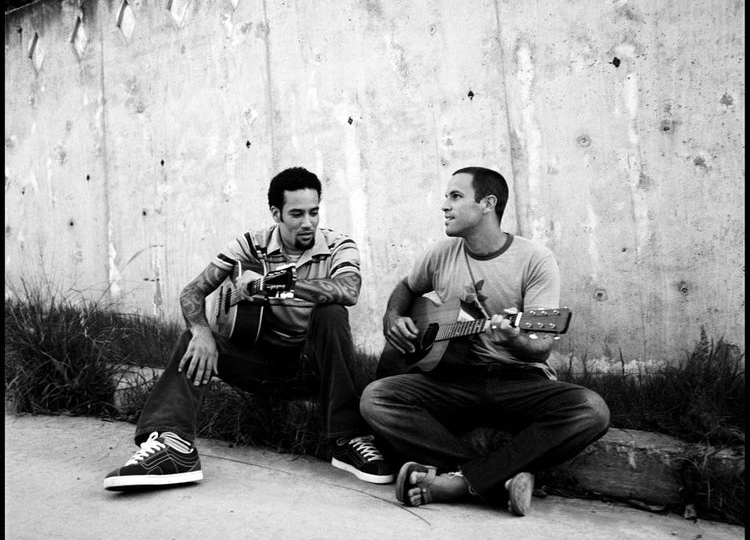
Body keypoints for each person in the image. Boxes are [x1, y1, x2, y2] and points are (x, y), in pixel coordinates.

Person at [104, 166, 395, 490]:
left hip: (313, 367)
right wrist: (202, 332)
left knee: (331, 312)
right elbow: (192, 292)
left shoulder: (338, 245)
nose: (308, 222)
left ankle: (346, 438)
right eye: (296, 214)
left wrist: (269, 285)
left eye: (314, 212)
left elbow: (348, 290)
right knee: (192, 339)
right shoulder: (250, 244)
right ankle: (173, 445)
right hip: (259, 363)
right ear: (276, 213)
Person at [360, 166, 610, 516]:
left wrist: (512, 339)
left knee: (592, 409)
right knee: (376, 398)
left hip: (518, 382)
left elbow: (541, 346)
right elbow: (406, 288)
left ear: (487, 203)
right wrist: (393, 317)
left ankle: (458, 482)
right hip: (452, 383)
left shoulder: (534, 260)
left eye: (456, 196)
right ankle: (495, 480)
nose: (444, 205)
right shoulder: (441, 253)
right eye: (447, 196)